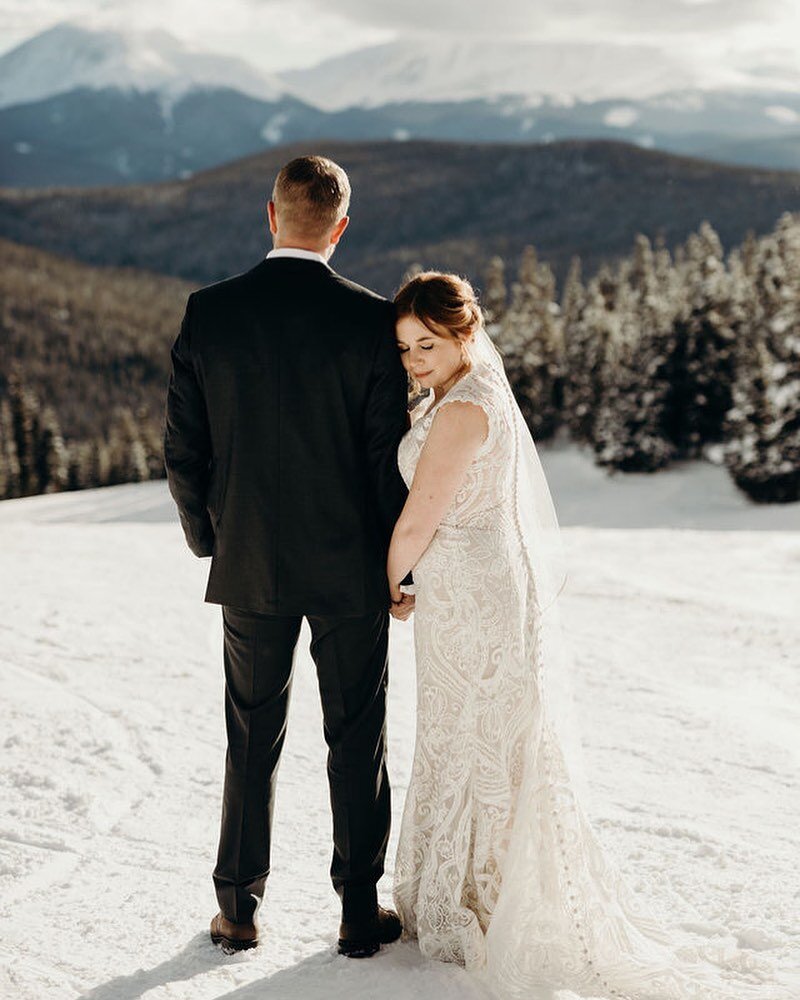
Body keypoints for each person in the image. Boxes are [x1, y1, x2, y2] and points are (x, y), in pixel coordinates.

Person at [387, 271, 788, 1000]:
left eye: (428, 343)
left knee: (477, 732)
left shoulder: (461, 411)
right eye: (407, 346)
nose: (415, 359)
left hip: (472, 594)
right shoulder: (466, 393)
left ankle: (481, 896)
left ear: (465, 334)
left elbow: (422, 516)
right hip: (472, 587)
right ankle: (460, 886)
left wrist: (390, 579)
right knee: (467, 728)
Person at [164, 155, 408, 958]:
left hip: (251, 565)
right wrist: (395, 565)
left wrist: (214, 542)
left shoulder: (209, 313)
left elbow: (183, 455)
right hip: (350, 568)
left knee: (250, 736)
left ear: (271, 217)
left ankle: (237, 910)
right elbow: (385, 462)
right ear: (341, 228)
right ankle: (356, 913)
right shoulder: (374, 322)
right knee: (357, 735)